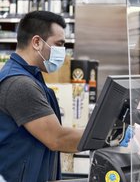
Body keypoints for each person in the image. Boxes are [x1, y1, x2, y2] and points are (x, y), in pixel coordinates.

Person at [0, 11, 83, 181]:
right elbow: (57, 138)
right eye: (59, 44)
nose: (62, 52)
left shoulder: (29, 77)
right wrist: (107, 136)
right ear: (37, 42)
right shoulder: (19, 84)